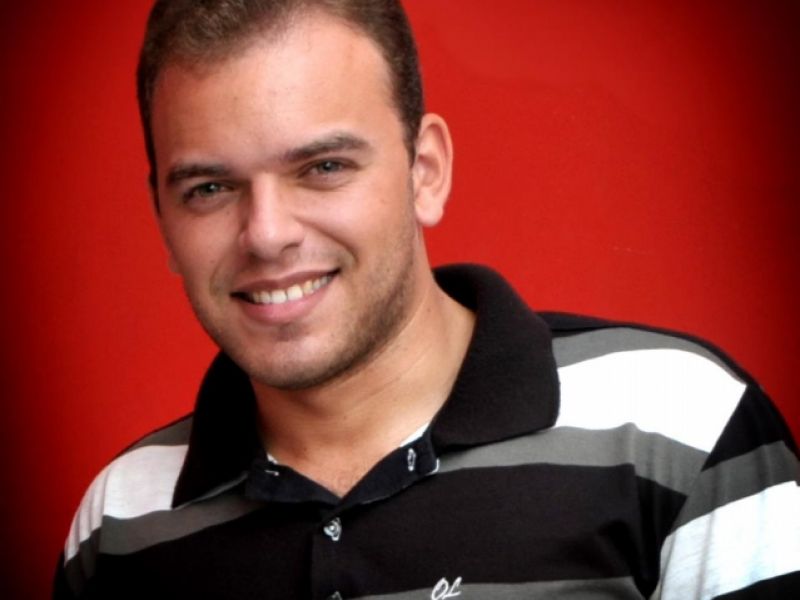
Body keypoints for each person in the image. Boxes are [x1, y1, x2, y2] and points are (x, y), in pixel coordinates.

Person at [54, 1, 800, 598]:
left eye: (323, 167)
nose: (267, 234)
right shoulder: (119, 524)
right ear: (163, 219)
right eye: (210, 188)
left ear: (426, 172)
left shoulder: (680, 432)